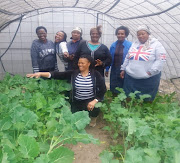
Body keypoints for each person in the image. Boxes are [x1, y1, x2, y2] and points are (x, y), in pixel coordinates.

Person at [26, 55, 106, 127]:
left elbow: (103, 89)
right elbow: (57, 75)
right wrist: (40, 74)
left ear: (89, 63)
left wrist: (94, 101)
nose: (80, 65)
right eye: (79, 63)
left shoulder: (96, 75)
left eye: (82, 63)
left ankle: (93, 118)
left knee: (96, 107)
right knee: (75, 117)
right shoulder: (74, 73)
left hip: (90, 101)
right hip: (77, 101)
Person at [120, 25, 166, 101]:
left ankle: (144, 111)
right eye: (138, 34)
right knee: (129, 96)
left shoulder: (156, 45)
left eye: (143, 34)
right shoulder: (134, 44)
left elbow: (160, 60)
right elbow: (128, 57)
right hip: (131, 76)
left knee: (146, 98)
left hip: (147, 78)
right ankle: (129, 110)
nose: (140, 36)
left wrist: (150, 72)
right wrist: (123, 69)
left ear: (148, 34)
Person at [105, 26, 132, 94]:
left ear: (125, 35)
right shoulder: (113, 45)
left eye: (122, 34)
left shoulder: (130, 45)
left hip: (125, 69)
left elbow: (131, 58)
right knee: (114, 85)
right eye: (118, 33)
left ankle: (123, 101)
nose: (120, 35)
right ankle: (114, 99)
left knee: (123, 86)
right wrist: (107, 69)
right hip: (114, 69)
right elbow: (110, 57)